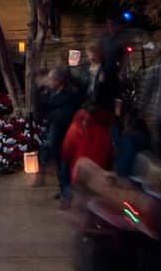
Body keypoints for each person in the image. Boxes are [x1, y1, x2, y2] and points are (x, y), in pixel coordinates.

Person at [35, 66, 86, 201]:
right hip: (54, 130)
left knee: (64, 161)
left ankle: (67, 190)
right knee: (58, 161)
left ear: (59, 81)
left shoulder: (68, 94)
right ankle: (63, 188)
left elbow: (63, 114)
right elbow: (44, 108)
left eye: (52, 80)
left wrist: (51, 114)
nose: (49, 82)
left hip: (64, 131)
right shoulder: (51, 93)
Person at [63, 89, 118, 180]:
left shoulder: (75, 127)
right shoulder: (105, 133)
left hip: (78, 175)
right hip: (98, 178)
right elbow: (109, 158)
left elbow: (66, 152)